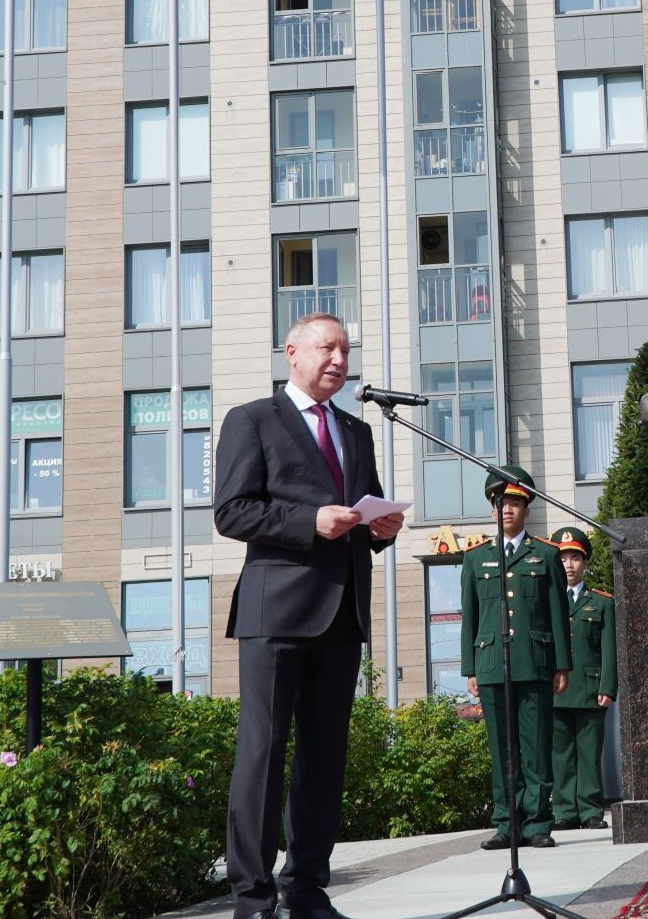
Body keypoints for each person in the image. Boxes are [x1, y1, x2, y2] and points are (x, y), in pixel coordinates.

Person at [214, 313, 402, 919]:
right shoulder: (252, 420)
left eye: (346, 350)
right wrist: (307, 522)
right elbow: (232, 513)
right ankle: (252, 899)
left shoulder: (356, 429)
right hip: (276, 614)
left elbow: (362, 516)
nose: (339, 360)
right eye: (327, 348)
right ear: (291, 352)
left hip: (342, 612)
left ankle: (308, 892)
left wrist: (382, 529)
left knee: (324, 758)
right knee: (263, 756)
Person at [461, 467, 571, 850]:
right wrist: (470, 669)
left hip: (535, 661)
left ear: (526, 509)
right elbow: (470, 616)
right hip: (492, 665)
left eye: (514, 503)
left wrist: (562, 664)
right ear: (492, 510)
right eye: (501, 503)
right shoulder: (476, 558)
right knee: (502, 750)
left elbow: (559, 613)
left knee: (536, 747)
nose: (507, 510)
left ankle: (538, 822)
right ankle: (507, 822)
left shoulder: (546, 554)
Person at [549, 527, 616, 832]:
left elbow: (609, 649)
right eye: (563, 559)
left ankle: (590, 810)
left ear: (585, 562)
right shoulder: (546, 601)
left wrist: (608, 687)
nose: (569, 565)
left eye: (575, 558)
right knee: (560, 753)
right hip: (554, 688)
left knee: (589, 753)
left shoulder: (601, 602)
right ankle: (564, 810)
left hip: (590, 688)